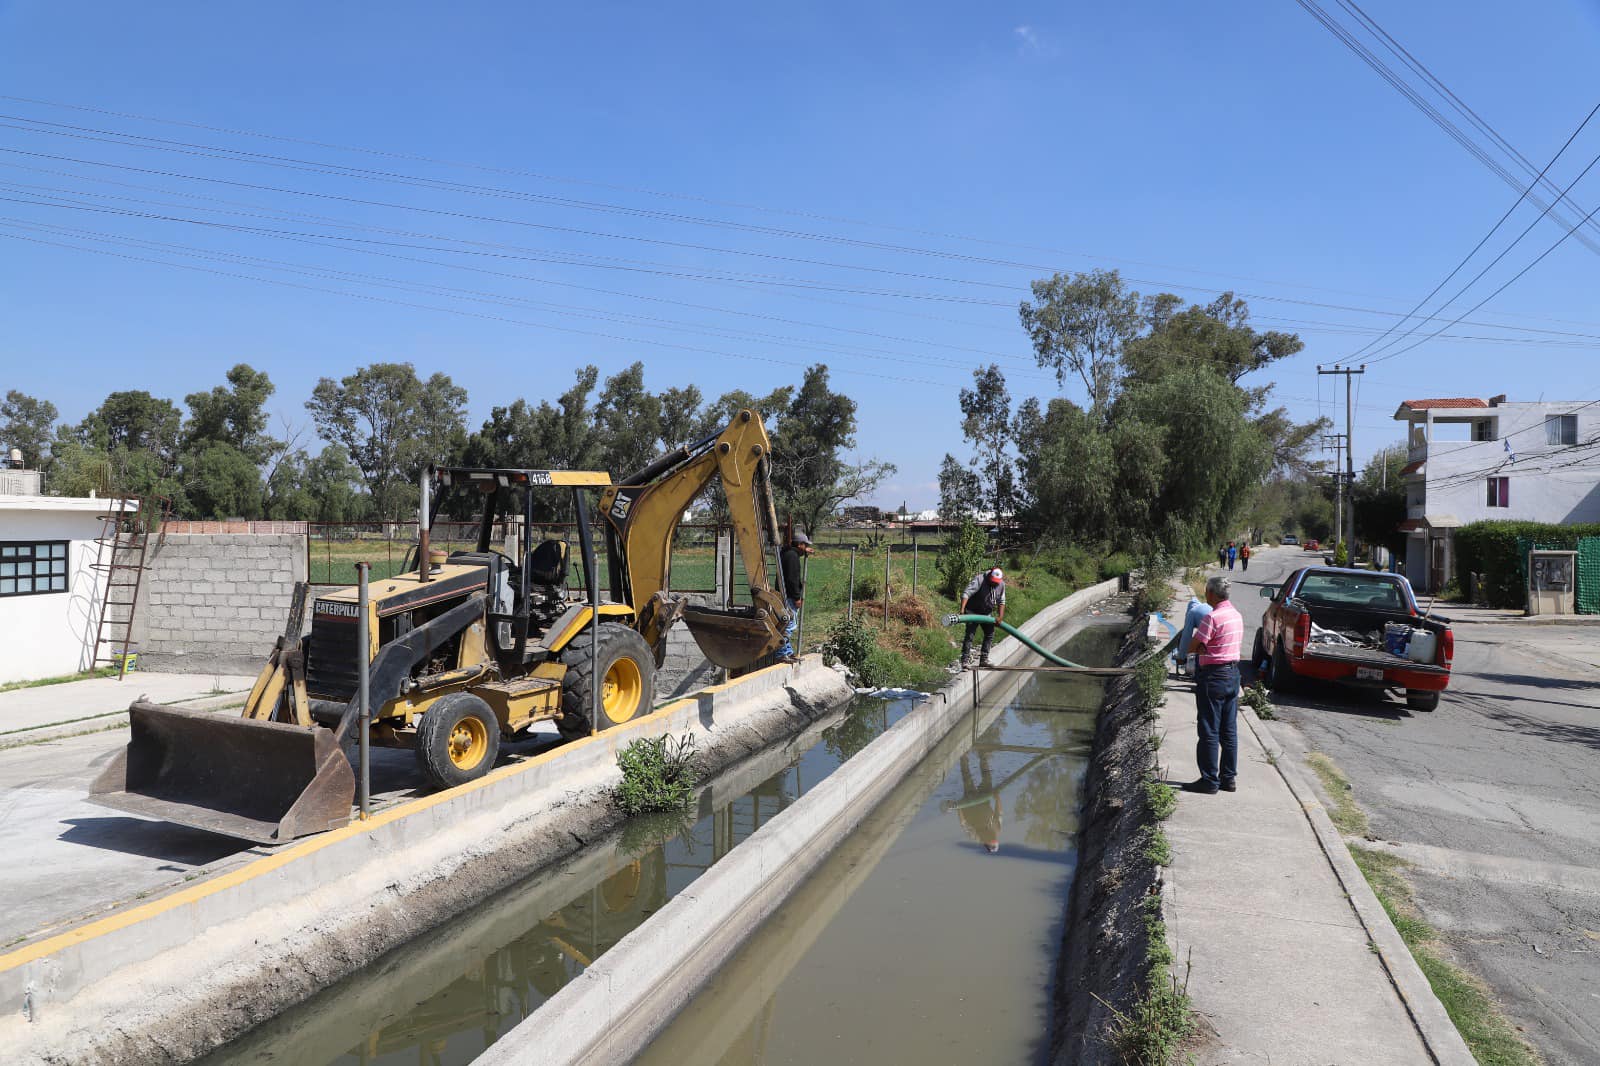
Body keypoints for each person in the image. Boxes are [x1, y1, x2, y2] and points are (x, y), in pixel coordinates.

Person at [1185, 575, 1243, 794]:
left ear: (1210, 593)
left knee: (1209, 729)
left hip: (1213, 677)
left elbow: (1193, 645)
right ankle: (1228, 779)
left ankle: (1209, 780)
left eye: (1206, 591)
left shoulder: (1212, 617)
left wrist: (1200, 647)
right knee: (1229, 731)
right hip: (1233, 675)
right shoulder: (1236, 615)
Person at [943, 749, 1002, 854]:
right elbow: (999, 812)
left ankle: (964, 757)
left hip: (970, 802)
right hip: (984, 800)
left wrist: (959, 807)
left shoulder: (975, 836)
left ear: (986, 842)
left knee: (967, 778)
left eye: (990, 840)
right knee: (987, 778)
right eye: (993, 838)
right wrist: (997, 798)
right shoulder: (997, 830)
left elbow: (963, 823)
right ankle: (983, 756)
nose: (991, 836)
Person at [958, 567, 1006, 669]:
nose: (994, 584)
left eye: (996, 583)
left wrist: (1000, 616)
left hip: (986, 614)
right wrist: (962, 610)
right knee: (970, 635)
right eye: (993, 582)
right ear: (989, 576)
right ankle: (964, 661)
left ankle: (984, 659)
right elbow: (966, 593)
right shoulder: (980, 579)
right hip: (972, 612)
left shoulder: (1001, 584)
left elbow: (1001, 601)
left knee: (990, 633)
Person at [777, 531, 814, 659]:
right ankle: (781, 653)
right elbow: (792, 579)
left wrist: (805, 552)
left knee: (787, 624)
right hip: (789, 596)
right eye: (805, 545)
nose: (805, 547)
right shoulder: (792, 557)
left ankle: (788, 652)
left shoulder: (787, 553)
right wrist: (797, 597)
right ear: (799, 545)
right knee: (789, 625)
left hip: (783, 594)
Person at [1173, 594, 1213, 677]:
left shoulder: (1192, 612)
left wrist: (1181, 656)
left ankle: (1197, 672)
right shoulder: (1205, 607)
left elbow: (1186, 636)